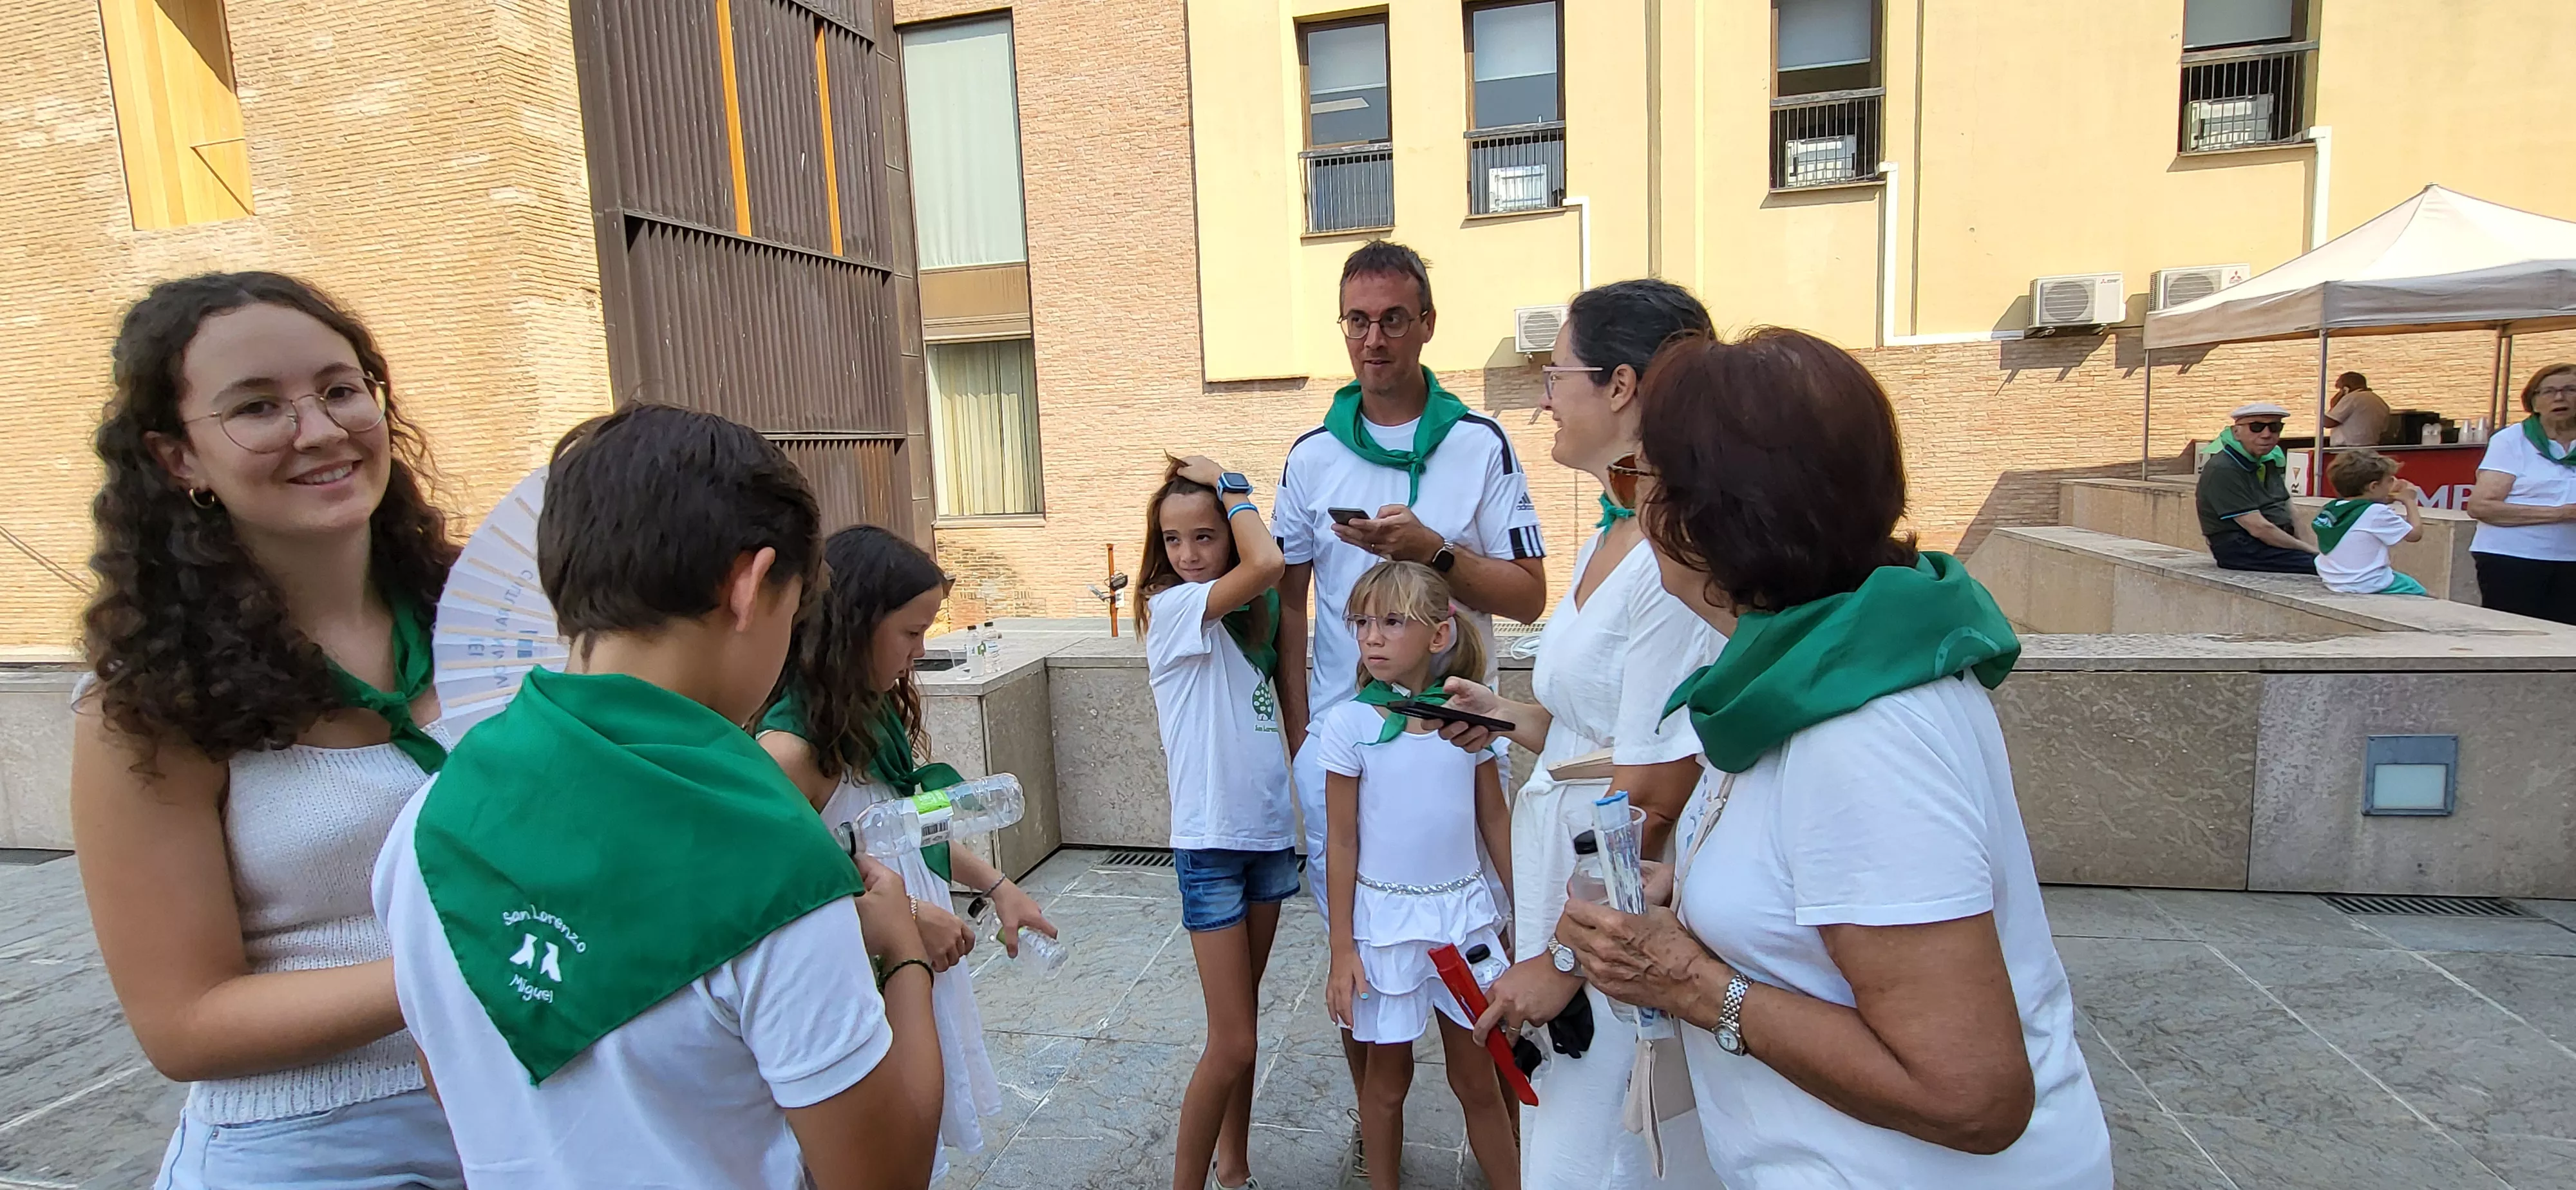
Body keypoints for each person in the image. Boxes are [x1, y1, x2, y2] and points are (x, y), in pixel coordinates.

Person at [1556, 329, 2112, 1188]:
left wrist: (1694, 982)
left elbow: (1970, 1094)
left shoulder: (1862, 733)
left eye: (1643, 481)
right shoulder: (1818, 666)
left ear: (1713, 515)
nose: (1637, 513)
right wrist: (1692, 897)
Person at [373, 406, 945, 1189]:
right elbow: (884, 1174)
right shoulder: (769, 859)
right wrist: (904, 953)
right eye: (796, 603)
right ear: (747, 586)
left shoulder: (424, 822)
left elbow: (452, 1069)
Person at [71, 272, 465, 1189]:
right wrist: (482, 959)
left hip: (534, 1112)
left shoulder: (488, 620)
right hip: (315, 1149)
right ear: (178, 460)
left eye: (339, 389)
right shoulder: (149, 705)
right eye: (258, 407)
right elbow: (185, 1023)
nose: (321, 429)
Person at [1430, 279, 1725, 1189]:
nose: (1544, 397)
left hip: (1610, 902)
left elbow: (1656, 786)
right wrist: (1505, 717)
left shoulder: (1675, 554)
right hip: (1575, 873)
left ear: (1624, 387)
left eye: (1557, 374)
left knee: (1603, 1145)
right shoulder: (1613, 535)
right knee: (1568, 1121)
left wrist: (1563, 958)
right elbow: (1594, 725)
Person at [1273, 239, 1546, 1158]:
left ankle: (1504, 1138)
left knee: (1483, 961)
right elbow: (1291, 603)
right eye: (1358, 319)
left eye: (1394, 318)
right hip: (1347, 752)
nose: (1374, 337)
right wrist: (1301, 734)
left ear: (1427, 323)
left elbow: (1529, 592)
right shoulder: (1311, 457)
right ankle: (1374, 1124)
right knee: (1359, 961)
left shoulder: (1480, 443)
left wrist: (1432, 550)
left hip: (1460, 741)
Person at [758, 524, 1053, 1178]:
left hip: (907, 961)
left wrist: (996, 886)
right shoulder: (791, 749)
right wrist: (913, 924)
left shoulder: (866, 713)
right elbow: (783, 887)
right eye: (910, 632)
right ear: (854, 624)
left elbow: (902, 828)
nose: (920, 651)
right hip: (861, 979)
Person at [1311, 561, 1520, 1190]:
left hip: (1465, 920)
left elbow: (1496, 825)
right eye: (1363, 622)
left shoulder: (1470, 723)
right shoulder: (1350, 725)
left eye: (1392, 622)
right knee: (1385, 1085)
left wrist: (1523, 918)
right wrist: (1342, 946)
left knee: (1477, 1078)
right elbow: (1340, 841)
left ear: (1438, 635)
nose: (1371, 637)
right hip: (1386, 928)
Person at [1135, 455, 1294, 1190]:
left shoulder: (1250, 624)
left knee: (1244, 1029)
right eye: (1173, 540)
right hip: (1210, 848)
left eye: (1204, 537)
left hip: (1267, 840)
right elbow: (1268, 560)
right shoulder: (1173, 611)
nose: (1189, 555)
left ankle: (1236, 1168)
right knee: (1229, 1041)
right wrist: (1233, 489)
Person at [2464, 363, 2576, 624]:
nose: (2560, 398)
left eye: (2571, 389)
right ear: (2534, 402)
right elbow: (2482, 507)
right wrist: (2562, 513)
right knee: (2515, 636)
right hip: (2513, 558)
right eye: (2549, 391)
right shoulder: (2512, 440)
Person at [2196, 401, 2318, 573]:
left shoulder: (2267, 460)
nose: (2266, 434)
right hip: (2244, 548)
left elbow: (2290, 511)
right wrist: (2310, 551)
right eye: (2256, 427)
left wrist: (2313, 548)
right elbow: (2258, 528)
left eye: (2274, 427)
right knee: (2327, 569)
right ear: (2237, 432)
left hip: (2271, 542)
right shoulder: (2224, 468)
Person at [2313, 449, 2428, 596]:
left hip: (2334, 580)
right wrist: (2409, 501)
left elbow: (2363, 512)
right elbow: (2414, 534)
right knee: (2427, 595)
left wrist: (2385, 498)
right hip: (2366, 583)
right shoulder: (2377, 512)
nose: (2394, 483)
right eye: (2390, 480)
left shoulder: (2332, 508)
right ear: (2373, 487)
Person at [2323, 371, 2390, 448]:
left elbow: (2328, 422)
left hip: (2348, 448)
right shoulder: (2379, 401)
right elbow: (2384, 429)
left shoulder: (2352, 398)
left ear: (2346, 388)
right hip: (2372, 446)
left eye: (2340, 389)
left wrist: (2334, 405)